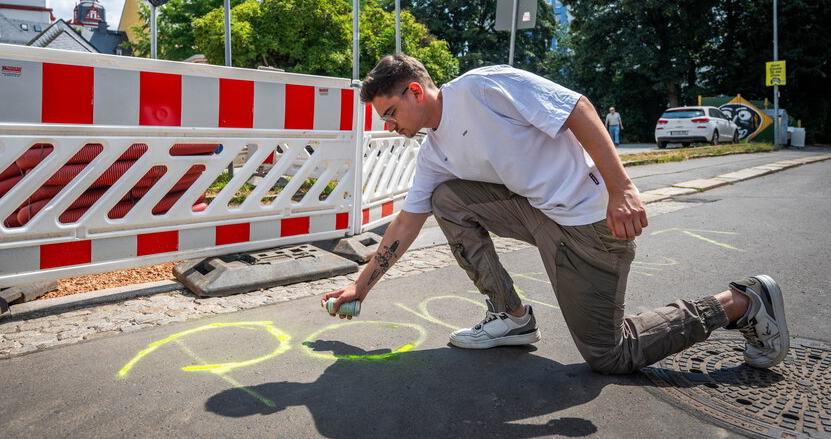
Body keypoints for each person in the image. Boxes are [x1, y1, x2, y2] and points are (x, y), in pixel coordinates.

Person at [322, 54, 789, 375]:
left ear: (415, 91)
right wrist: (360, 286)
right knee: (445, 199)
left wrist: (622, 188)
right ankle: (512, 317)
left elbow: (576, 109)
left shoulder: (483, 87)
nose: (388, 125)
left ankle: (742, 302)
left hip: (591, 226)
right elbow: (406, 223)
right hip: (540, 215)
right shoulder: (434, 154)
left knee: (609, 355)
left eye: (389, 112)